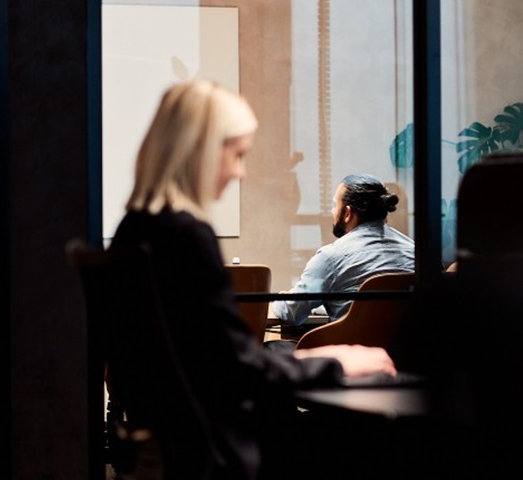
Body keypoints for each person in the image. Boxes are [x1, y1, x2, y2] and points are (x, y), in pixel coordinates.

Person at [109, 80, 397, 479]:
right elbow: (233, 372)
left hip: (178, 441)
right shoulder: (186, 237)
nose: (240, 172)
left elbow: (216, 361)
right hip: (218, 450)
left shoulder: (136, 231)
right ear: (203, 150)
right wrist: (335, 361)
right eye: (237, 154)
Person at [271, 174, 415, 325]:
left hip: (352, 347)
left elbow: (292, 312)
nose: (333, 212)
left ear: (347, 213)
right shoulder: (416, 253)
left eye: (335, 205)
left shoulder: (331, 257)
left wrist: (280, 299)